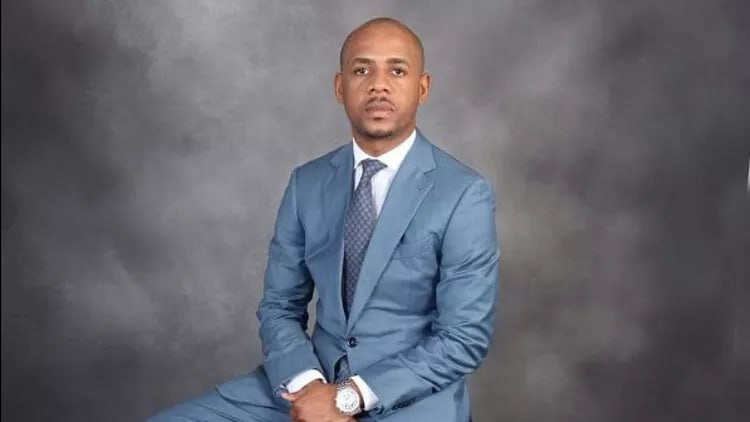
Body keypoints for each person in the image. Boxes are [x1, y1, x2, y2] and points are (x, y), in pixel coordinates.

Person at [149, 16, 499, 422]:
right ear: (339, 87)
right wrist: (309, 386)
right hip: (307, 383)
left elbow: (463, 338)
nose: (378, 85)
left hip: (409, 397)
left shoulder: (463, 193)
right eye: (362, 70)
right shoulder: (307, 183)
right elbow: (280, 305)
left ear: (422, 88)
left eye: (397, 71)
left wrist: (348, 397)